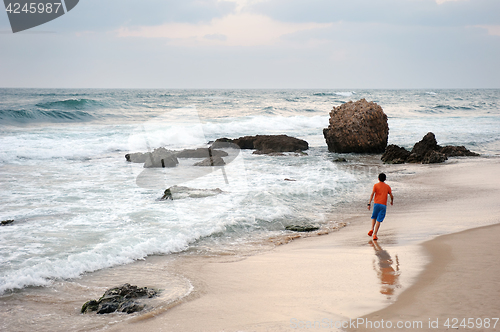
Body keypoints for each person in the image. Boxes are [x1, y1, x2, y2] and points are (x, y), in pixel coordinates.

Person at [367, 173, 393, 240]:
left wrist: (369, 203)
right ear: (385, 179)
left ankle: (371, 229)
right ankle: (375, 234)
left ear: (378, 179)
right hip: (383, 205)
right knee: (379, 220)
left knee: (374, 217)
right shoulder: (387, 187)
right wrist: (391, 201)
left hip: (376, 204)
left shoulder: (375, 185)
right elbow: (391, 195)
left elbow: (372, 194)